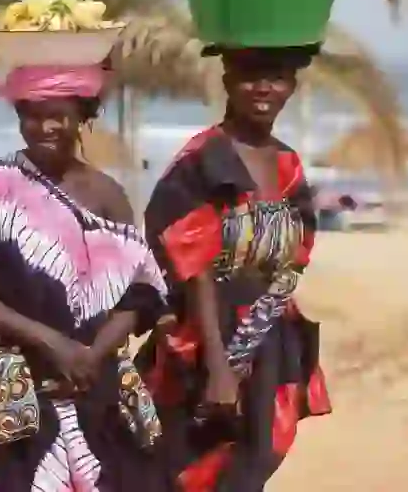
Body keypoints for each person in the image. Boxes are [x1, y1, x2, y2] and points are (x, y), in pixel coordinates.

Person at [0, 63, 173, 492]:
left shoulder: (108, 194)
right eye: (32, 115)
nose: (45, 127)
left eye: (59, 115)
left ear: (83, 115)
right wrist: (49, 342)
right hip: (10, 394)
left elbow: (139, 293)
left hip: (95, 387)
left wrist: (91, 355)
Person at [136, 45, 330, 492]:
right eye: (249, 76)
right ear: (226, 81)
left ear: (292, 86)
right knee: (192, 467)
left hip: (269, 333)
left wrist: (270, 321)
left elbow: (297, 250)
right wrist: (220, 366)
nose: (264, 87)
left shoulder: (287, 163)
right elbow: (192, 265)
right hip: (206, 340)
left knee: (254, 460)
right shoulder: (201, 161)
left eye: (277, 77)